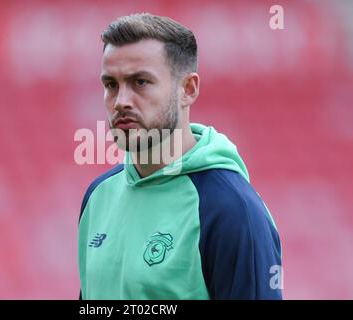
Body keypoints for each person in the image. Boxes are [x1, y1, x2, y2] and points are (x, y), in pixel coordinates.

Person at [78, 13, 282, 300]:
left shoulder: (232, 210)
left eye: (140, 82)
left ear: (188, 89)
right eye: (111, 85)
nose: (121, 101)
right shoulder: (97, 197)